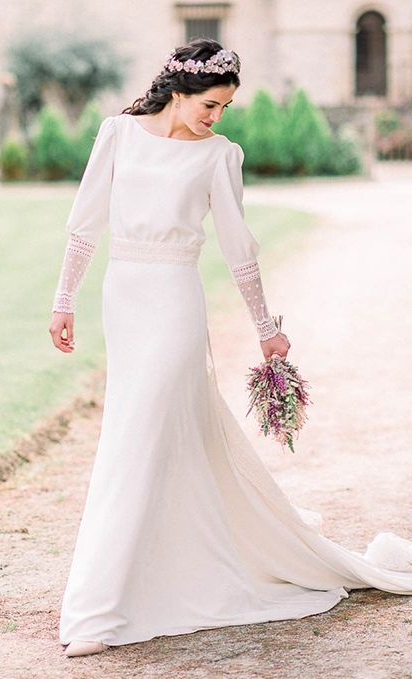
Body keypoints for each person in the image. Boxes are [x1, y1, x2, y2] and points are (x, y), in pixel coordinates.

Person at [48, 38, 412, 659]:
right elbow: (86, 224)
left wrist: (267, 327)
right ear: (179, 91)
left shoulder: (219, 155)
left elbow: (239, 249)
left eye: (225, 108)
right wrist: (64, 299)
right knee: (141, 432)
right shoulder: (118, 133)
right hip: (124, 295)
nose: (216, 117)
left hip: (175, 301)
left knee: (138, 434)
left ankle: (97, 608)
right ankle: (137, 578)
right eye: (211, 105)